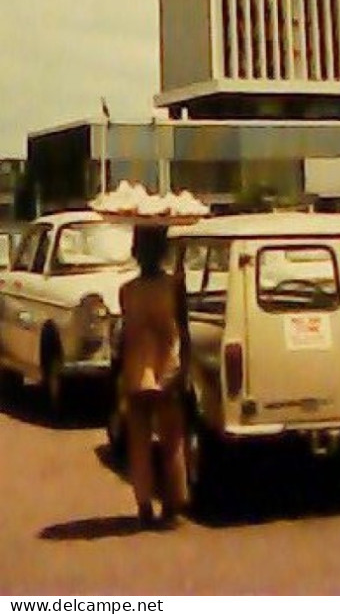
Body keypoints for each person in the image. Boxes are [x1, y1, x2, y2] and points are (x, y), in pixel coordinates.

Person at [118, 225, 189, 530]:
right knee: (172, 440)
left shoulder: (127, 290)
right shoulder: (174, 286)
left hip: (136, 370)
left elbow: (125, 335)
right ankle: (172, 504)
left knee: (139, 441)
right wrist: (185, 369)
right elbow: (182, 332)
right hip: (166, 368)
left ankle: (144, 504)